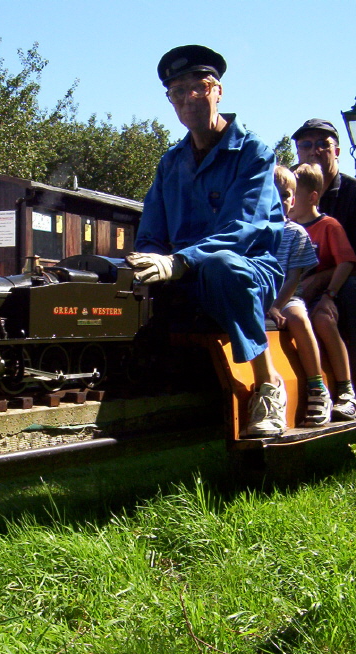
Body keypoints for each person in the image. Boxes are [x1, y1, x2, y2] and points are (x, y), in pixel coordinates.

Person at [127, 45, 287, 437]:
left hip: (247, 271)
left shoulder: (253, 153)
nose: (188, 99)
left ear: (218, 91)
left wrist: (179, 261)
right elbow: (151, 233)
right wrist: (145, 262)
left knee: (221, 265)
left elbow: (243, 230)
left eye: (197, 87)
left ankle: (269, 385)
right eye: (177, 92)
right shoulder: (171, 162)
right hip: (184, 275)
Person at [292, 118, 356, 414]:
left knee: (355, 291)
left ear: (337, 151)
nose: (314, 150)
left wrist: (321, 284)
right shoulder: (287, 191)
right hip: (300, 279)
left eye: (324, 144)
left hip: (352, 277)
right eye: (306, 144)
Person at [291, 164, 356, 420]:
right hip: (295, 297)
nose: (288, 201)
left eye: (294, 194)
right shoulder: (287, 228)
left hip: (324, 295)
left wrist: (329, 294)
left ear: (312, 197)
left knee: (322, 319)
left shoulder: (328, 226)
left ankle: (346, 391)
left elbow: (346, 262)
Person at [267, 166, 330, 426]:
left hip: (287, 297)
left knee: (298, 318)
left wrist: (276, 306)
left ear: (293, 200)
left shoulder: (296, 233)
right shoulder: (254, 232)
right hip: (259, 297)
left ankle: (317, 386)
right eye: (272, 193)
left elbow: (294, 277)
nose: (279, 200)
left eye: (285, 195)